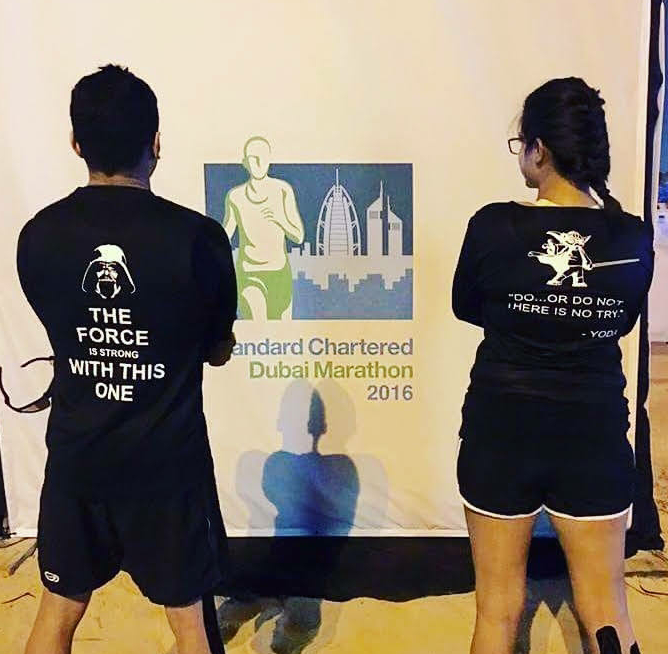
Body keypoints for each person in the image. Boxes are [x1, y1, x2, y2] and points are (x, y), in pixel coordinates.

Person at [17, 64, 237, 654]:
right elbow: (217, 350)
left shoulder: (39, 235)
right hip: (167, 468)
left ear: (76, 143)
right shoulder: (197, 238)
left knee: (58, 611)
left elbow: (61, 327)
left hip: (78, 459)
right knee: (189, 623)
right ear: (156, 142)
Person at [452, 77, 652, 654]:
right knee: (607, 608)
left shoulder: (492, 225)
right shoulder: (632, 237)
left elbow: (467, 307)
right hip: (593, 438)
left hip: (501, 433)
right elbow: (621, 322)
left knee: (496, 611)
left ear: (539, 149)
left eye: (522, 145)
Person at [223, 136, 305, 321]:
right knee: (259, 325)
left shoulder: (283, 190)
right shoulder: (235, 197)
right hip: (249, 273)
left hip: (280, 274)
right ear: (245, 162)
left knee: (283, 334)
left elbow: (298, 236)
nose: (259, 162)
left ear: (269, 159)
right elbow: (223, 235)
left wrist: (280, 220)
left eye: (263, 156)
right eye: (253, 157)